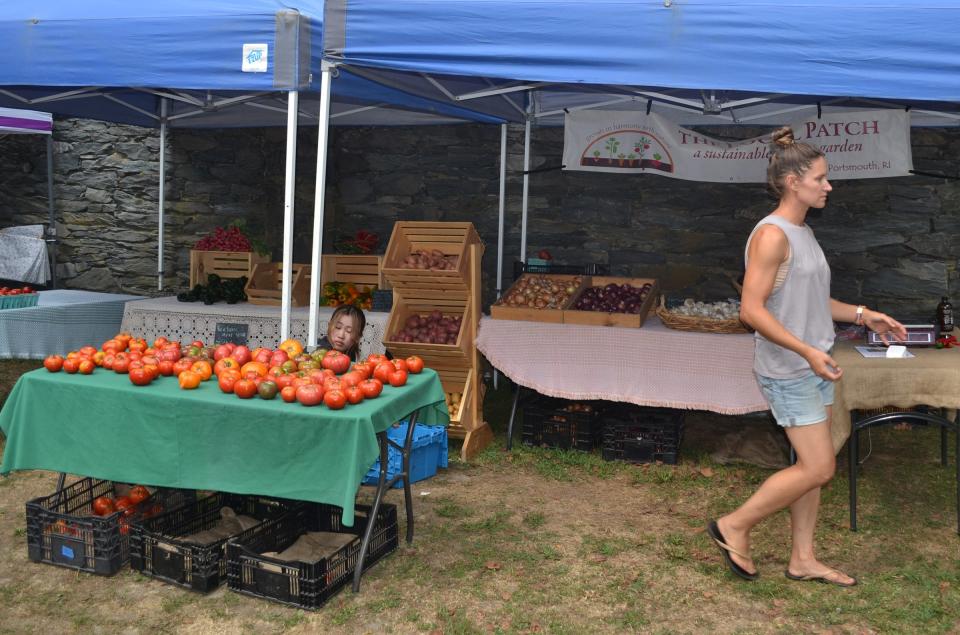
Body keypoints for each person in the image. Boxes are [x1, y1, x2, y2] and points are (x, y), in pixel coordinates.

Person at [707, 126, 906, 588]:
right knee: (819, 466)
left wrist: (864, 313)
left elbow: (815, 302)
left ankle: (803, 559)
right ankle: (733, 525)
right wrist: (805, 352)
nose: (828, 186)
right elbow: (750, 311)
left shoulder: (802, 232)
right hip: (790, 367)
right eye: (821, 178)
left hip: (813, 363)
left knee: (807, 466)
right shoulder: (772, 236)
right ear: (793, 181)